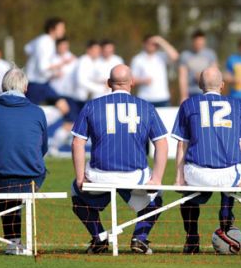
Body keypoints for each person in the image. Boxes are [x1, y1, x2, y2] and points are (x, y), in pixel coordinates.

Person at [71, 64, 168, 255]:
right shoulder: (146, 107)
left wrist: (81, 177)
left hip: (100, 175)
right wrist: (156, 178)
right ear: (132, 83)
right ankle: (140, 238)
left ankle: (99, 238)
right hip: (135, 176)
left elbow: (77, 143)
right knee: (157, 195)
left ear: (109, 83)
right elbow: (162, 144)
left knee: (76, 192)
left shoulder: (91, 105)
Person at [172, 66, 241, 254]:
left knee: (189, 198)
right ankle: (225, 219)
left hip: (198, 175)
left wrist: (179, 179)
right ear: (223, 85)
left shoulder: (188, 105)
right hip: (229, 175)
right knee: (229, 184)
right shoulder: (238, 106)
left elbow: (181, 145)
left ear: (200, 85)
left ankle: (192, 238)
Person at [0, 67, 48, 255]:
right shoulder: (38, 112)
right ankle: (13, 241)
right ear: (25, 88)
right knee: (15, 186)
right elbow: (43, 148)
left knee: (7, 185)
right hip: (32, 177)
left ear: (3, 86)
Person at [23, 17, 70, 116]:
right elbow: (43, 67)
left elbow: (27, 49)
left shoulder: (42, 40)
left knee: (63, 106)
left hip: (42, 83)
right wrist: (61, 63)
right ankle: (40, 128)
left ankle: (43, 129)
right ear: (52, 29)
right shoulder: (46, 43)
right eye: (61, 28)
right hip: (35, 85)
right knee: (28, 115)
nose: (64, 30)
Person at [48, 37, 78, 154]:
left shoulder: (74, 60)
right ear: (57, 46)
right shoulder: (50, 59)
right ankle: (53, 147)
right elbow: (43, 74)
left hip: (69, 95)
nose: (63, 48)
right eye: (61, 46)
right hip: (52, 94)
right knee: (52, 118)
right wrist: (55, 73)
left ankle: (54, 147)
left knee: (70, 123)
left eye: (66, 46)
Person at [130, 35, 179, 107]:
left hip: (163, 98)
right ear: (144, 44)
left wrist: (161, 41)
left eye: (155, 44)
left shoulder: (162, 56)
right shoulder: (137, 59)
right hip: (144, 98)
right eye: (150, 43)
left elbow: (175, 56)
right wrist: (143, 81)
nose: (153, 46)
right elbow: (132, 80)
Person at [178, 30, 217, 103]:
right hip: (190, 92)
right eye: (197, 43)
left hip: (206, 93)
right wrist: (183, 96)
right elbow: (182, 77)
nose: (199, 45)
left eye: (201, 43)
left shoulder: (210, 54)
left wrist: (203, 77)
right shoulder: (185, 55)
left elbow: (215, 75)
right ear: (193, 41)